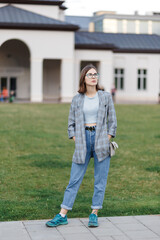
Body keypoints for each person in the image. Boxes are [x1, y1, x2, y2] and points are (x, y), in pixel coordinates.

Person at [46, 64, 117, 228]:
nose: (94, 76)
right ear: (84, 78)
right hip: (83, 140)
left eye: (95, 74)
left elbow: (112, 121)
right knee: (74, 179)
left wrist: (107, 138)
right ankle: (62, 215)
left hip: (101, 140)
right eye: (90, 74)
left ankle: (94, 214)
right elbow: (70, 124)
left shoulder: (105, 97)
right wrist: (76, 139)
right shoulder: (77, 99)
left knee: (100, 180)